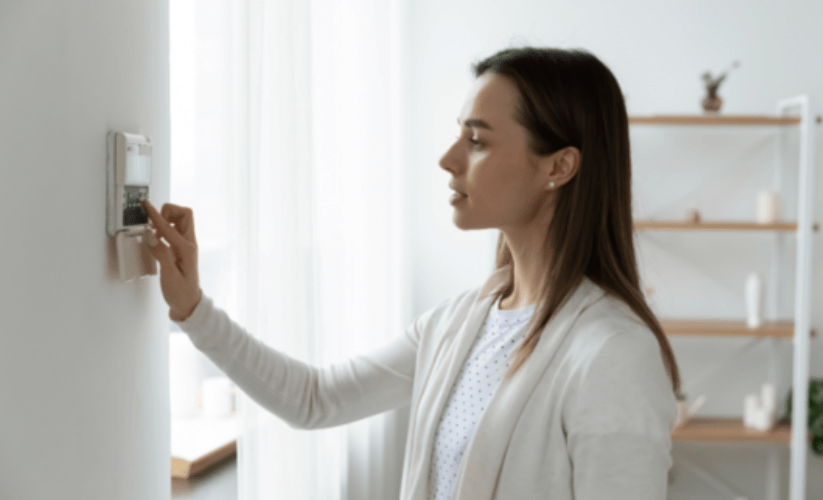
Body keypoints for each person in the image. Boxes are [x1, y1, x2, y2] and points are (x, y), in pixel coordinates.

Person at [142, 45, 682, 500]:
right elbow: (315, 399)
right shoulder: (459, 324)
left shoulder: (613, 353)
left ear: (559, 166)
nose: (448, 158)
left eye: (477, 140)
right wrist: (193, 309)